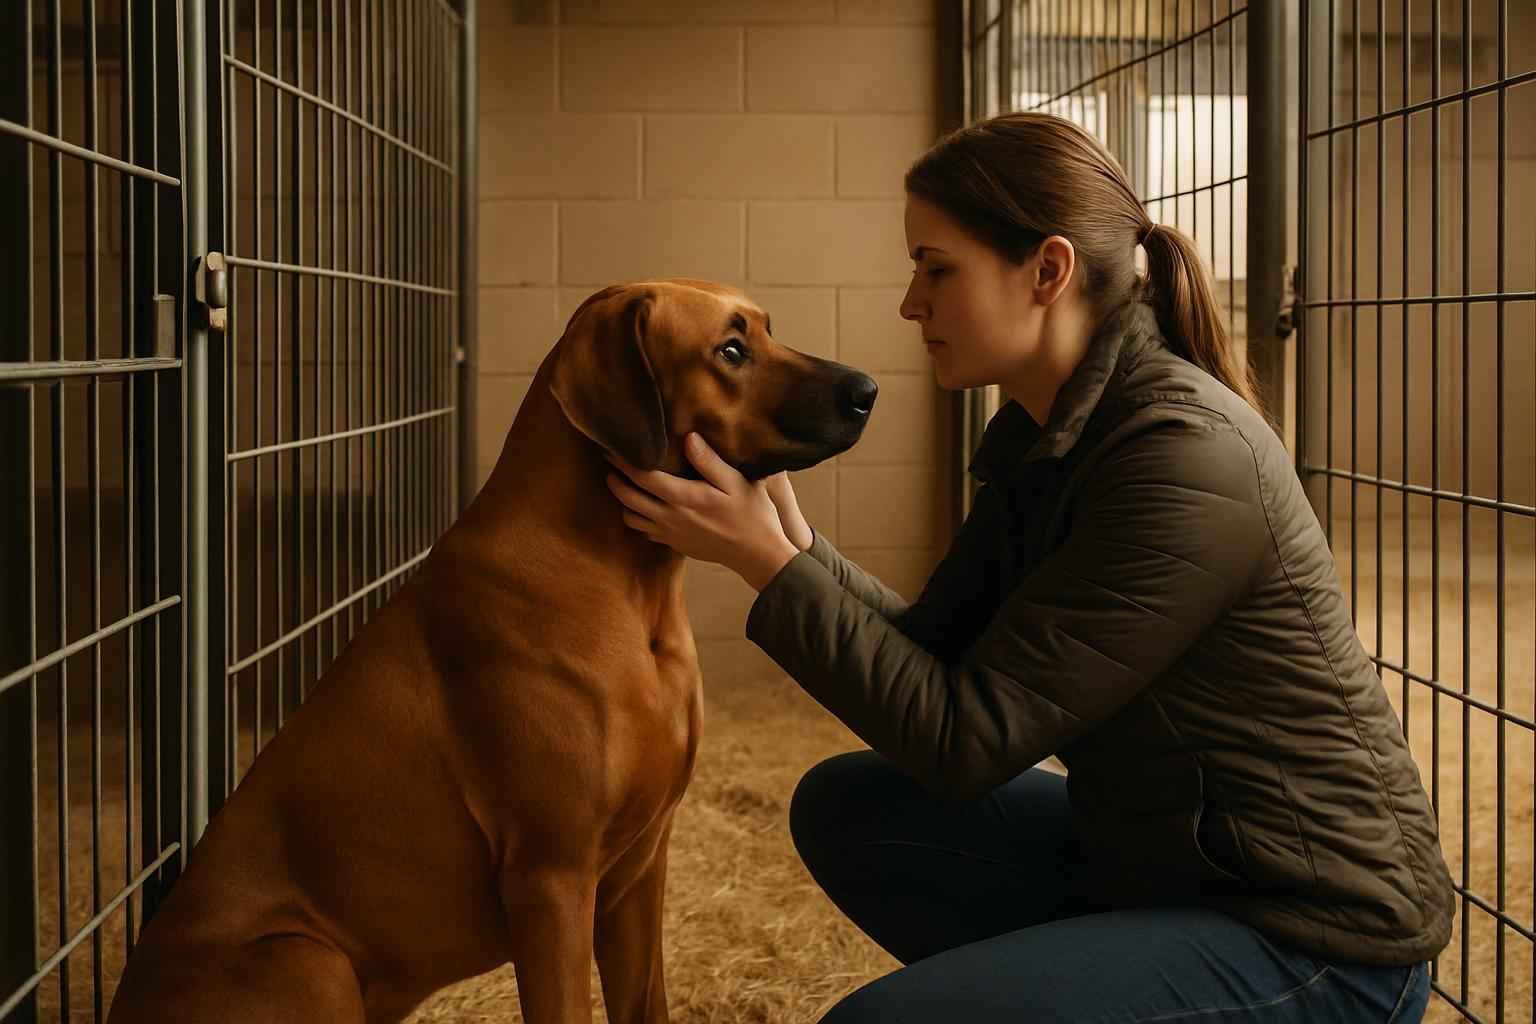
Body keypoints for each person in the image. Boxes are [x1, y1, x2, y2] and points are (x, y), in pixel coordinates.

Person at [604, 111, 1453, 1023]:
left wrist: (765, 562)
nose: (910, 302)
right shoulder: (1048, 429)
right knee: (850, 807)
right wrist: (794, 548)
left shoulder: (1180, 456)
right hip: (1171, 861)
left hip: (1315, 937)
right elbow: (934, 653)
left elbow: (964, 740)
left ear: (1046, 271)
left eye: (938, 269)